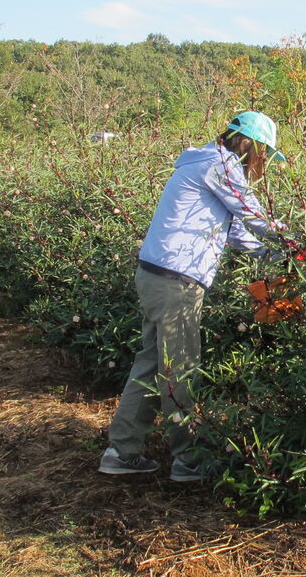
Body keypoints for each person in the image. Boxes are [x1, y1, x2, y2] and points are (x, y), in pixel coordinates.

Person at [99, 111, 287, 482]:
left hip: (157, 275)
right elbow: (252, 214)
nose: (262, 163)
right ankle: (189, 459)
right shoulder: (220, 165)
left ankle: (121, 451)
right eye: (264, 153)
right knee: (179, 369)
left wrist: (275, 255)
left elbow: (234, 232)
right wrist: (300, 240)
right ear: (250, 144)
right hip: (177, 281)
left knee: (152, 364)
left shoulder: (203, 162)